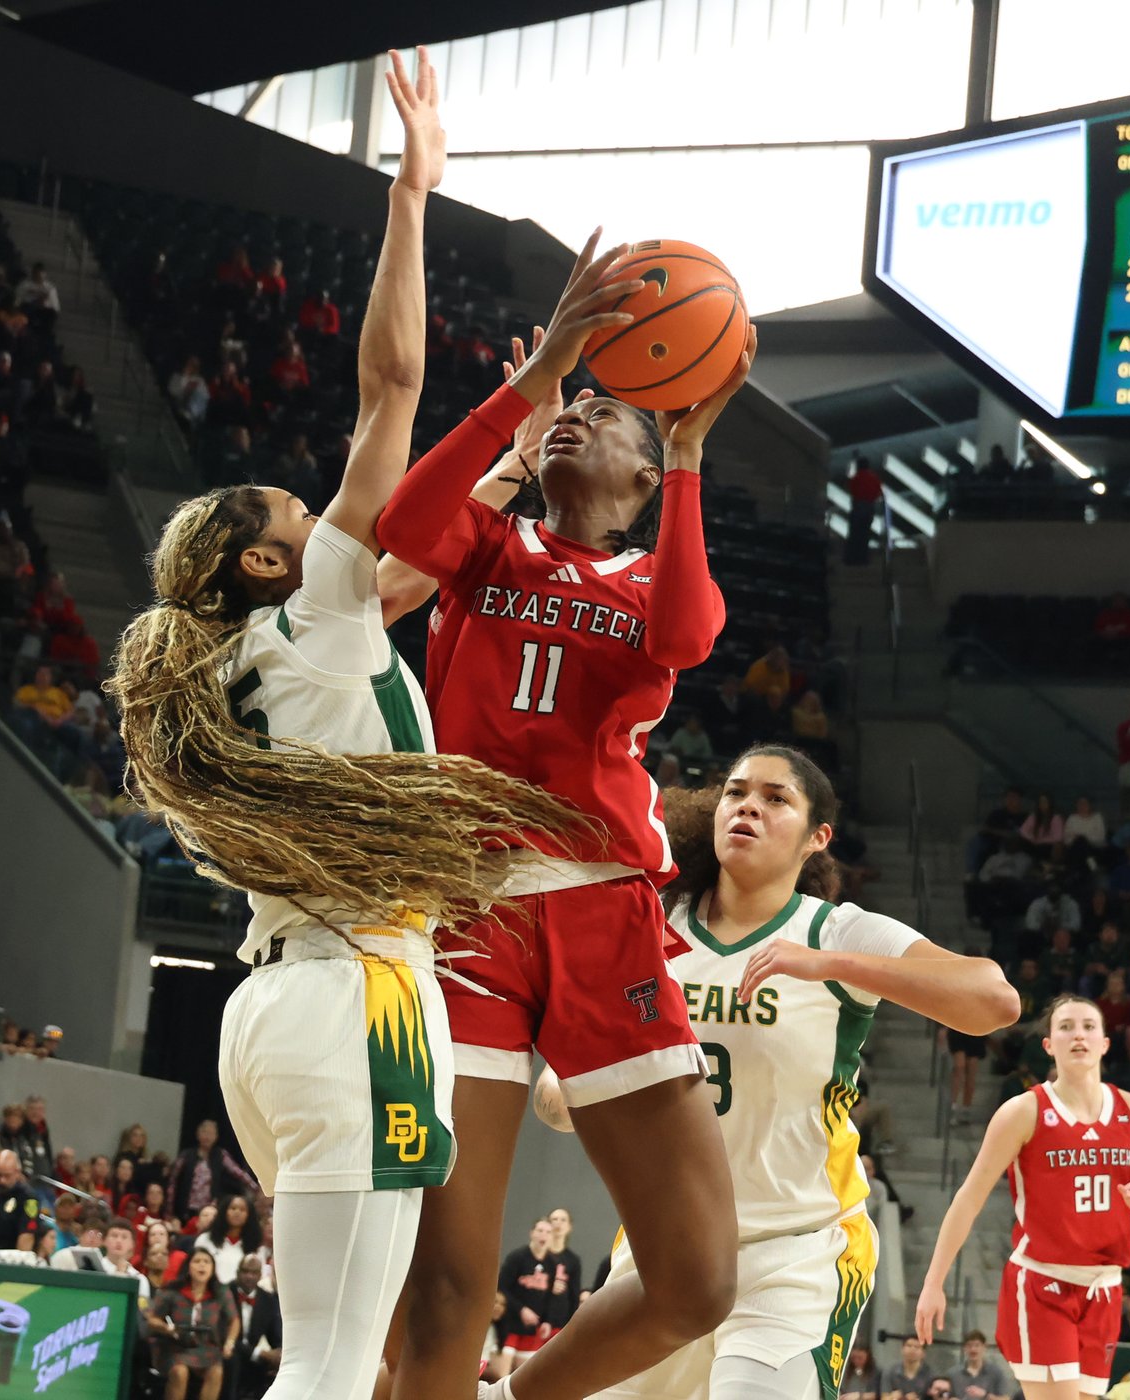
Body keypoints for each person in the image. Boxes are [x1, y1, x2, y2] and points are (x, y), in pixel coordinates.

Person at [106, 51, 580, 1400]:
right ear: (268, 563)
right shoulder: (310, 610)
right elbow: (389, 386)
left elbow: (412, 573)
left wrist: (520, 450)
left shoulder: (258, 659)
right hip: (356, 996)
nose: (323, 519)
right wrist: (411, 197)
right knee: (321, 1369)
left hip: (278, 1006)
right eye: (298, 516)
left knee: (325, 1358)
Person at [377, 229, 759, 1400]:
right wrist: (534, 380)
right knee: (443, 1288)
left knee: (696, 1280)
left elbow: (685, 634)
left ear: (641, 483)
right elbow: (399, 527)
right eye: (569, 408)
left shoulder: (650, 579)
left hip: (604, 916)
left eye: (602, 413)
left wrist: (687, 454)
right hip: (466, 914)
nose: (575, 415)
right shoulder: (484, 543)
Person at [551, 744, 1017, 1400]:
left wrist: (832, 966)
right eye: (736, 792)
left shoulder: (836, 931)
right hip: (666, 1244)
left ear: (816, 837)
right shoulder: (652, 924)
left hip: (797, 1248)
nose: (748, 806)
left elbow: (994, 1001)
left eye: (775, 799)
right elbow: (569, 1081)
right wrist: (571, 1090)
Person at [917, 996, 1130, 1399]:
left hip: (1105, 1289)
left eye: (1089, 1026)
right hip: (1043, 1286)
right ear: (1048, 1045)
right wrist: (934, 1281)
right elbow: (969, 1197)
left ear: (1106, 1043)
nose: (1078, 1035)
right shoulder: (1023, 1111)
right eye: (1066, 1027)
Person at [148, 1246, 238, 1400]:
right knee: (180, 1372)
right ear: (188, 1267)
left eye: (207, 1262)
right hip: (175, 1346)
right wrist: (166, 1328)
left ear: (213, 1269)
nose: (202, 1265)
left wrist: (230, 1342)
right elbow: (152, 1319)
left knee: (216, 1372)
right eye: (197, 1261)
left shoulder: (221, 1293)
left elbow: (234, 1320)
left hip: (207, 1347)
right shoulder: (172, 1291)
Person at [498, 1219, 563, 1369]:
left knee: (523, 1374)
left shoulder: (552, 1263)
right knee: (501, 1372)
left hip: (532, 1328)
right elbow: (501, 1288)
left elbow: (550, 1296)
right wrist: (521, 1309)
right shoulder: (517, 1257)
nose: (544, 1235)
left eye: (548, 1232)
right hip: (510, 1324)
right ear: (532, 1233)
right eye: (540, 1230)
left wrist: (547, 1321)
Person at [223, 1253, 282, 1399]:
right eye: (245, 1271)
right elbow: (223, 1335)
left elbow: (275, 1337)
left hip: (253, 1356)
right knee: (234, 1360)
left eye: (254, 1272)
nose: (249, 1276)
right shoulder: (225, 1293)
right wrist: (259, 1353)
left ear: (260, 1275)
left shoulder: (267, 1299)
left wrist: (279, 1354)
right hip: (227, 1351)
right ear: (237, 1272)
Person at [194, 1192, 262, 1284]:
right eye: (233, 1208)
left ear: (249, 1215)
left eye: (242, 1210)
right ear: (224, 1212)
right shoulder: (205, 1239)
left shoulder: (255, 1246)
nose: (237, 1212)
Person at [941, 1332, 1009, 1400]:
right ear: (964, 1348)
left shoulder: (996, 1373)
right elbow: (942, 1396)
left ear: (984, 1347)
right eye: (969, 1346)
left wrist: (985, 1395)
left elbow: (1006, 1398)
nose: (973, 1349)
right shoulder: (953, 1374)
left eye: (977, 1345)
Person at [844, 456, 883, 565]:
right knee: (865, 534)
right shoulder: (874, 478)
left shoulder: (856, 478)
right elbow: (878, 493)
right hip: (869, 508)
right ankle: (863, 559)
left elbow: (851, 490)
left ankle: (852, 559)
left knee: (854, 534)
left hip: (857, 507)